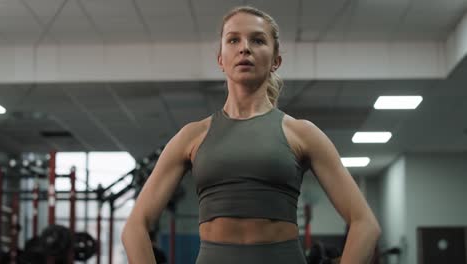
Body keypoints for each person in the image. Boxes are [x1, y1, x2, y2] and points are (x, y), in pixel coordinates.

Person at [122, 6, 381, 264]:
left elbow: (365, 224)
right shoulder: (191, 137)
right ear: (220, 59)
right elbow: (135, 228)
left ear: (276, 60)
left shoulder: (303, 134)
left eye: (257, 40)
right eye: (233, 39)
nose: (244, 48)